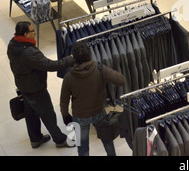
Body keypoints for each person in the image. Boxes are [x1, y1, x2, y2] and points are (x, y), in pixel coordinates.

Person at [7, 21, 76, 149]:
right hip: (36, 88)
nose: (35, 32)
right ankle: (60, 140)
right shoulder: (29, 53)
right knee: (48, 114)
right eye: (33, 31)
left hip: (23, 85)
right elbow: (51, 65)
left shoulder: (12, 44)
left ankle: (35, 139)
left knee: (31, 113)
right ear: (26, 34)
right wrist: (71, 58)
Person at [60, 41, 125, 156]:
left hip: (79, 116)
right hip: (99, 112)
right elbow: (121, 80)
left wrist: (65, 115)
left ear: (74, 58)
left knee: (83, 146)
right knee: (107, 140)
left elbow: (64, 100)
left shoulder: (69, 77)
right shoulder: (100, 69)